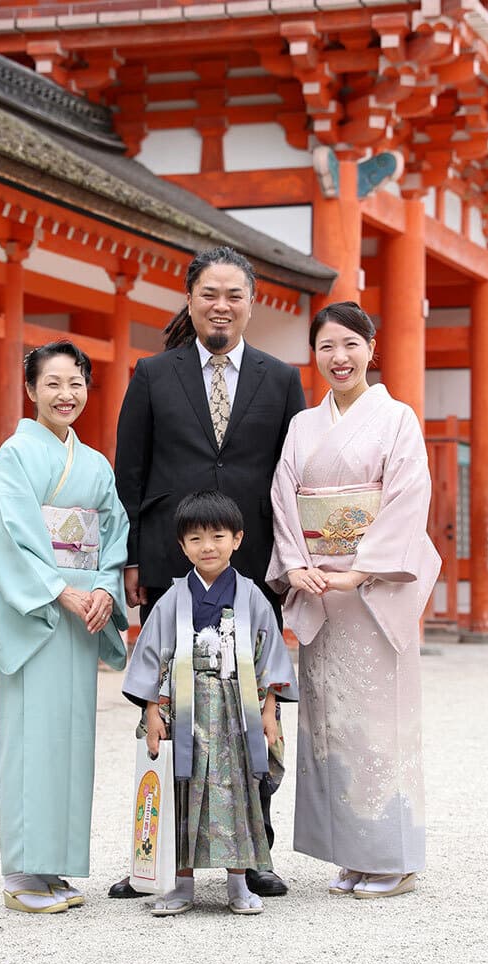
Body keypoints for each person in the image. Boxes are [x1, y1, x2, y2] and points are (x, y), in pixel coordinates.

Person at [111, 245, 306, 899]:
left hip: (251, 568)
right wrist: (134, 559)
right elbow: (130, 473)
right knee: (171, 711)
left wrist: (290, 560)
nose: (221, 306)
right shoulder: (152, 374)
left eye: (234, 295)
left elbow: (291, 479)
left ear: (252, 303)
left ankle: (256, 855)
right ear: (189, 299)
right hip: (172, 566)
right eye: (209, 294)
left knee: (253, 709)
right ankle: (160, 857)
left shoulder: (280, 381)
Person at [267, 301, 441, 900]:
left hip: (372, 596)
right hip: (320, 590)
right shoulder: (302, 426)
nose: (338, 358)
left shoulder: (397, 420)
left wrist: (361, 571)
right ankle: (349, 852)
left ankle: (391, 855)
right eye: (325, 347)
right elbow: (283, 496)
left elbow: (407, 498)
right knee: (330, 723)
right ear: (314, 355)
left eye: (349, 345)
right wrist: (295, 563)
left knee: (379, 723)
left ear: (371, 346)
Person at [0, 340, 129, 913]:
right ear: (31, 390)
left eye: (76, 383)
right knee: (30, 738)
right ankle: (22, 872)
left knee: (70, 740)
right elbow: (9, 536)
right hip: (38, 612)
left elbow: (112, 536)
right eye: (53, 384)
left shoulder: (95, 464)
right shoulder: (14, 457)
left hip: (78, 615)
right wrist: (61, 590)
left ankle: (54, 868)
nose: (66, 395)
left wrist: (101, 589)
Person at [123, 491, 298, 916]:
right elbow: (152, 655)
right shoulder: (174, 598)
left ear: (237, 539)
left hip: (237, 709)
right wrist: (151, 710)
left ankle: (239, 883)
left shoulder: (252, 595)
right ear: (182, 546)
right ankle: (181, 885)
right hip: (185, 707)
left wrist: (270, 710)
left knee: (237, 790)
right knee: (182, 790)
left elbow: (269, 652)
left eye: (218, 536)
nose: (208, 547)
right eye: (196, 538)